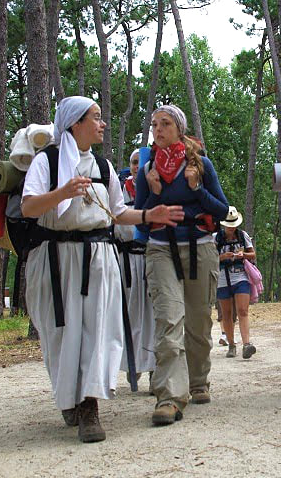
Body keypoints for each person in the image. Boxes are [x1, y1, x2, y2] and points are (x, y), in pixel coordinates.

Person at [21, 96, 182, 443]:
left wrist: (147, 216)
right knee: (61, 334)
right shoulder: (46, 162)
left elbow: (117, 212)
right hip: (56, 260)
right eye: (95, 117)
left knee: (97, 332)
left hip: (98, 258)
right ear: (76, 123)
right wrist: (62, 192)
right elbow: (29, 206)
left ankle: (89, 405)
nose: (102, 123)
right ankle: (70, 396)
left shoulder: (103, 166)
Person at [134, 104, 228, 426]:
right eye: (154, 124)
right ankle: (170, 397)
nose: (157, 129)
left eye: (165, 124)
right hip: (161, 249)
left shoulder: (200, 164)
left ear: (179, 129)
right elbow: (142, 224)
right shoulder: (148, 169)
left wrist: (195, 189)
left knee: (199, 323)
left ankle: (198, 381)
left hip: (200, 247)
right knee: (169, 320)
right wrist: (154, 194)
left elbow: (222, 210)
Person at [115, 148, 156, 388]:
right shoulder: (120, 190)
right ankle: (133, 363)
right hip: (127, 260)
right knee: (129, 314)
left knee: (153, 314)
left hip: (151, 257)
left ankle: (154, 368)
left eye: (140, 162)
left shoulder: (156, 188)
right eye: (132, 162)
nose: (135, 166)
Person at [215, 206, 257, 359]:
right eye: (229, 226)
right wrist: (222, 257)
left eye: (233, 225)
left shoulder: (242, 235)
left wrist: (242, 255)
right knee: (226, 313)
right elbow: (209, 258)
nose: (231, 229)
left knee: (243, 311)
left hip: (240, 277)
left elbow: (252, 254)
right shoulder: (216, 237)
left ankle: (247, 344)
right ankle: (231, 345)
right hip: (222, 278)